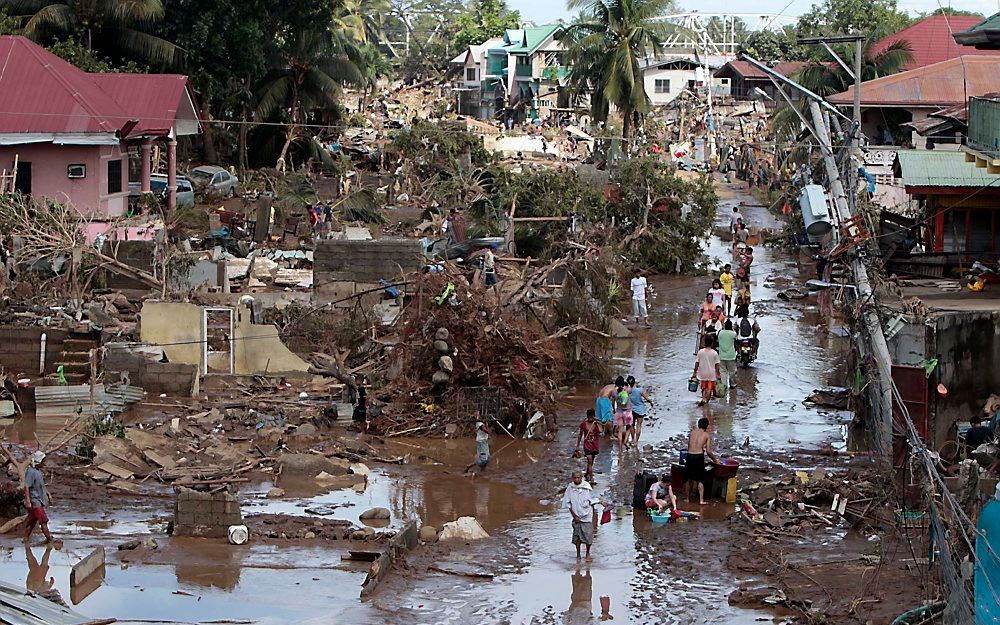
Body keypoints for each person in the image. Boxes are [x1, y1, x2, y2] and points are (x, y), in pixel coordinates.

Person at [561, 471, 601, 561]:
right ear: (572, 478)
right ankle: (578, 555)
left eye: (578, 478)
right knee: (577, 537)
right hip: (576, 517)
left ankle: (587, 554)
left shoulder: (586, 487)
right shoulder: (570, 488)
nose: (576, 479)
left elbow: (591, 500)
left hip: (587, 516)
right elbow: (568, 504)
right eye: (575, 478)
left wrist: (600, 501)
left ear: (581, 478)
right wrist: (574, 516)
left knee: (588, 537)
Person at [22, 451, 52, 544]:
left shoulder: (37, 471)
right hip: (35, 500)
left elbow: (41, 485)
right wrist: (28, 501)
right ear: (39, 461)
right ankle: (49, 540)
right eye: (43, 461)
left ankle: (26, 538)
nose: (45, 463)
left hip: (39, 499)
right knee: (43, 521)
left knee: (32, 521)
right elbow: (26, 486)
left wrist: (48, 494)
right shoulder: (30, 472)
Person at [686, 417, 717, 504]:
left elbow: (689, 447)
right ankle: (701, 500)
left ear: (698, 424)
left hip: (689, 455)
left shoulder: (692, 433)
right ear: (706, 426)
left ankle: (687, 499)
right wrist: (715, 460)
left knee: (689, 479)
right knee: (700, 479)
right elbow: (708, 451)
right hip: (698, 456)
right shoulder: (706, 435)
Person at [693, 335, 721, 406]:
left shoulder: (700, 352)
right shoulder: (714, 353)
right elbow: (717, 365)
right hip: (711, 374)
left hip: (702, 373)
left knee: (703, 387)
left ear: (704, 343)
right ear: (712, 343)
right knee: (709, 388)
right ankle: (706, 401)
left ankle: (703, 398)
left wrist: (694, 372)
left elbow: (697, 363)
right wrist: (718, 374)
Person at [575, 409, 601, 482]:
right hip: (587, 446)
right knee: (589, 460)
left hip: (595, 446)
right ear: (587, 416)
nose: (590, 419)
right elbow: (580, 435)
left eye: (591, 417)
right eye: (589, 417)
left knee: (591, 462)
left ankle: (587, 473)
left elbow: (600, 431)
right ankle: (591, 478)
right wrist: (577, 446)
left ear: (594, 416)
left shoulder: (596, 424)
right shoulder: (583, 424)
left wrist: (597, 423)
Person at [627, 375, 652, 446]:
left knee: (632, 425)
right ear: (634, 382)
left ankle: (632, 439)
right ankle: (636, 442)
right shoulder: (640, 390)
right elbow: (647, 399)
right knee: (639, 426)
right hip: (640, 410)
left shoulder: (628, 391)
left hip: (632, 410)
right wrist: (651, 402)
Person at [613, 376, 633, 453]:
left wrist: (614, 410)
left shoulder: (614, 392)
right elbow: (631, 389)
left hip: (619, 412)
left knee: (620, 432)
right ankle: (625, 441)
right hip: (627, 412)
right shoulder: (627, 390)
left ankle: (620, 449)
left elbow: (613, 400)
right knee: (629, 427)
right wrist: (627, 384)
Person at [717, 320, 738, 391]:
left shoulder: (720, 333)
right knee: (732, 371)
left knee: (723, 371)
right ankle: (732, 384)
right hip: (731, 356)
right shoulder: (733, 333)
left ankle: (724, 385)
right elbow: (736, 339)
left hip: (721, 355)